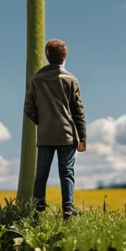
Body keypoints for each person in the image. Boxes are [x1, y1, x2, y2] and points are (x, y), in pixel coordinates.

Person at [23, 38, 86, 218]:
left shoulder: (37, 79)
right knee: (66, 172)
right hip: (66, 135)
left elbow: (28, 107)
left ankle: (37, 208)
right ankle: (68, 207)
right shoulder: (71, 80)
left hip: (45, 135)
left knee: (41, 173)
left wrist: (41, 121)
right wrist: (82, 137)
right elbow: (78, 111)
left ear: (47, 56)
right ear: (65, 57)